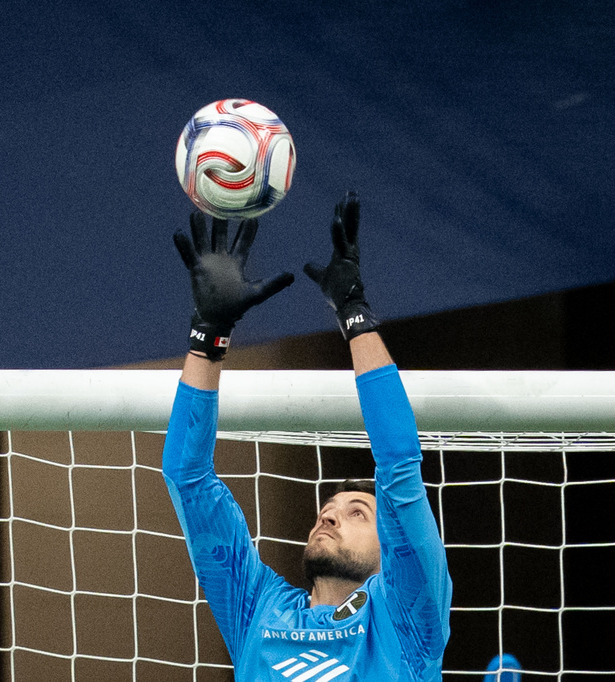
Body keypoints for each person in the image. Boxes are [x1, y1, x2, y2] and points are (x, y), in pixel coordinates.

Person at [162, 192, 452, 680]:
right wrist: (209, 335)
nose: (330, 519)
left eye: (356, 512)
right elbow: (186, 477)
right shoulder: (256, 609)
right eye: (327, 512)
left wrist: (354, 313)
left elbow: (399, 465)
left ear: (391, 547)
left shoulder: (406, 618)